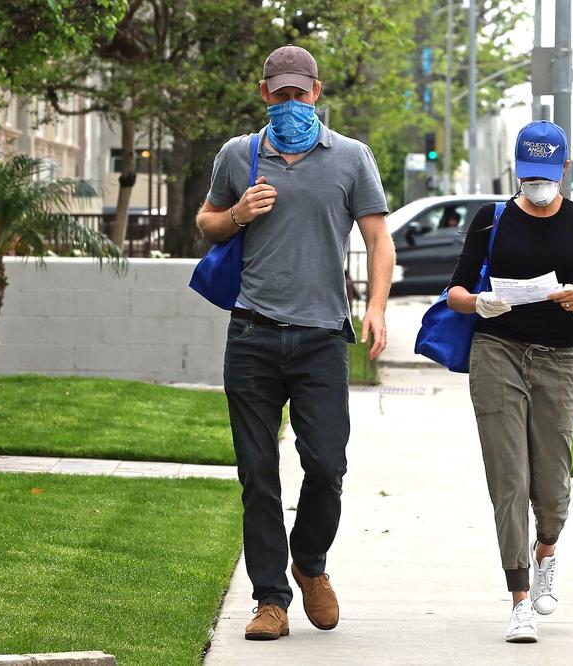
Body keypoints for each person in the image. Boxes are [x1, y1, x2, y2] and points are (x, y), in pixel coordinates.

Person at [195, 44, 394, 641]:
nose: (289, 104)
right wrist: (238, 214)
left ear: (317, 92)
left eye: (298, 93)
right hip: (252, 333)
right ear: (264, 95)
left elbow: (379, 240)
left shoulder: (351, 158)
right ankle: (271, 600)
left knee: (326, 464)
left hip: (322, 338)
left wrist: (377, 308)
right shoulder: (239, 155)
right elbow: (206, 222)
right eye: (278, 94)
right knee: (257, 472)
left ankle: (309, 563)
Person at [446, 120, 573, 643]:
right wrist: (478, 301)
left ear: (564, 170)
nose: (537, 185)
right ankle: (519, 598)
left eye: (546, 175)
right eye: (529, 176)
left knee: (550, 489)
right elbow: (455, 289)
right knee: (510, 481)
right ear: (517, 173)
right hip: (496, 353)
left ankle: (546, 550)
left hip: (558, 362)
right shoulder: (492, 218)